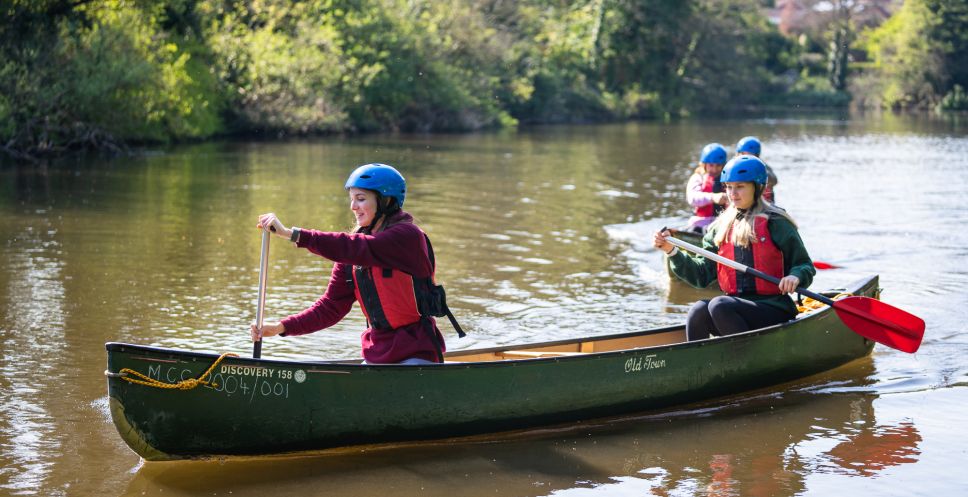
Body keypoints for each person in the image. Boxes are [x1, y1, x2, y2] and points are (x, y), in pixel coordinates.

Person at [251, 163, 462, 364]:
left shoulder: (406, 237)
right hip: (377, 354)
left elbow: (356, 246)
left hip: (416, 352)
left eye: (360, 199)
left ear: (386, 201)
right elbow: (330, 307)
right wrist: (281, 327)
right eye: (351, 199)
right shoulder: (353, 254)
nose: (353, 207)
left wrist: (292, 234)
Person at [654, 155, 816, 341]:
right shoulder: (719, 227)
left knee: (719, 305)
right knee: (698, 310)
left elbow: (804, 265)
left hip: (773, 308)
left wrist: (795, 276)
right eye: (729, 187)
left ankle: (744, 361)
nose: (733, 193)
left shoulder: (777, 222)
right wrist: (670, 250)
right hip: (735, 310)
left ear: (757, 187)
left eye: (740, 187)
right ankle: (700, 366)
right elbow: (701, 276)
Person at [685, 143, 729, 233]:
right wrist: (713, 197)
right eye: (711, 165)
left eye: (718, 165)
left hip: (723, 224)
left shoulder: (728, 179)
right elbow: (692, 198)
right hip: (700, 224)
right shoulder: (698, 177)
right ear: (704, 164)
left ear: (723, 165)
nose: (714, 169)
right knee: (694, 230)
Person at [735, 136, 777, 203]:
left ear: (757, 156)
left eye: (750, 155)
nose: (746, 158)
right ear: (738, 154)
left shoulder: (762, 166)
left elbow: (774, 181)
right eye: (743, 154)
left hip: (764, 204)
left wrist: (759, 172)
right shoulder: (733, 166)